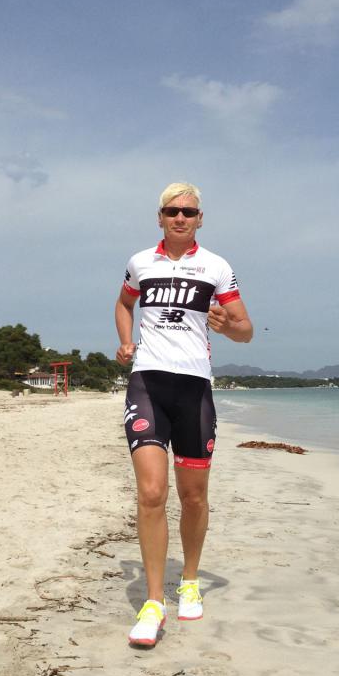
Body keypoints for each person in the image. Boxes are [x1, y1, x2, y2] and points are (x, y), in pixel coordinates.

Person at [115, 183, 253, 646]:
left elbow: (246, 330)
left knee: (193, 498)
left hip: (194, 389)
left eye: (188, 212)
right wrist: (126, 341)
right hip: (148, 384)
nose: (180, 218)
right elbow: (124, 303)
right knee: (152, 492)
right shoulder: (140, 263)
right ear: (160, 217)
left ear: (199, 219)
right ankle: (154, 602)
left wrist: (227, 326)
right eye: (172, 211)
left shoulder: (216, 267)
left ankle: (189, 579)